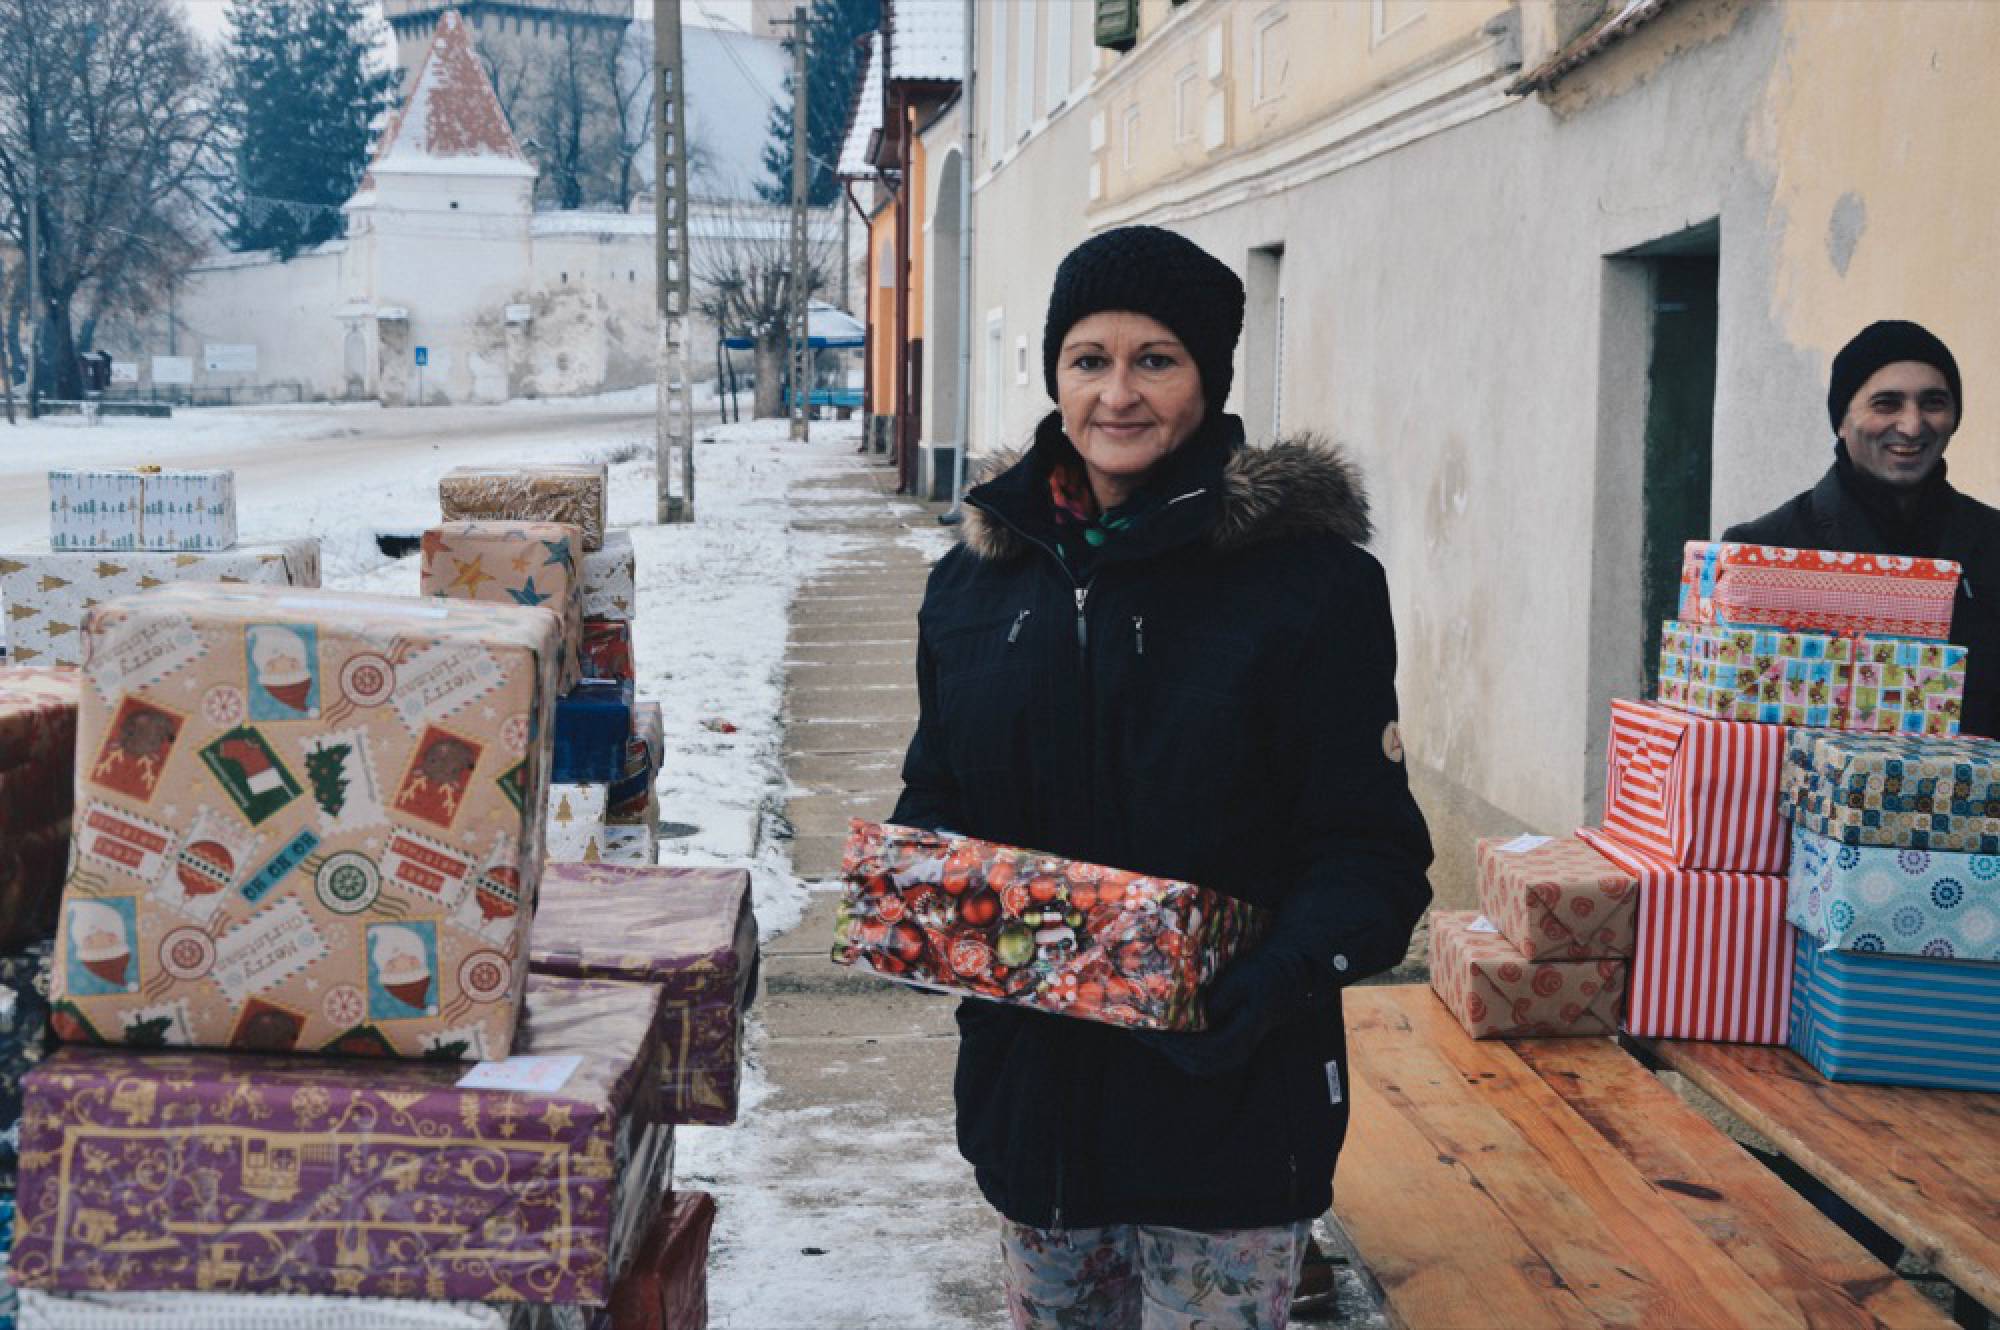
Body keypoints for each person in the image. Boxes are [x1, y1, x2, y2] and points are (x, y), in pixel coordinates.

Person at [891, 225, 1434, 1329]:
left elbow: (1371, 856)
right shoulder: (975, 585)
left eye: (1155, 359)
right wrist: (918, 904)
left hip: (1230, 1110)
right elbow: (937, 797)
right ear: (1055, 374)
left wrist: (1272, 981)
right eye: (1088, 359)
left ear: (1209, 378)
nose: (1117, 394)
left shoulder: (1307, 585)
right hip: (1036, 1114)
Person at [1724, 319, 2000, 736]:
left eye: (1934, 402)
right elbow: (1736, 727)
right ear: (1841, 419)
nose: (1912, 426)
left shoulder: (1993, 542)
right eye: (1886, 404)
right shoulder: (1763, 553)